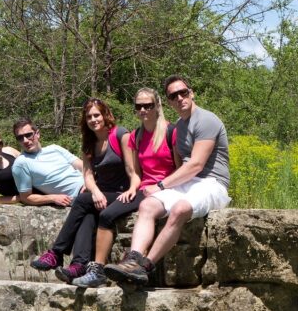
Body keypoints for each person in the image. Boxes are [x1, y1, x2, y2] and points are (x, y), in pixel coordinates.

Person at [104, 75, 230, 286]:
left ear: (192, 93)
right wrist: (160, 190)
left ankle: (145, 266)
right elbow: (181, 165)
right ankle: (133, 258)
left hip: (213, 183)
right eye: (174, 95)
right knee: (147, 204)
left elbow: (196, 165)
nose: (180, 98)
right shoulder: (180, 125)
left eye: (183, 92)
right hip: (189, 183)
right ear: (169, 102)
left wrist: (161, 185)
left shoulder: (206, 120)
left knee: (180, 208)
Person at [70, 88, 180, 288]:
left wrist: (161, 186)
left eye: (148, 105)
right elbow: (135, 172)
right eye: (139, 106)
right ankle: (94, 269)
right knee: (100, 212)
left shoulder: (172, 132)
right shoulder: (136, 136)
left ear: (157, 106)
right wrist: (132, 189)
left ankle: (102, 269)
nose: (144, 110)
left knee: (105, 215)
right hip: (143, 190)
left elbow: (181, 169)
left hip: (167, 190)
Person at [30, 99, 139, 282]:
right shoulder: (89, 142)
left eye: (97, 115)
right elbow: (87, 175)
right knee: (88, 214)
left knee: (81, 201)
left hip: (124, 193)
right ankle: (78, 266)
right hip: (103, 193)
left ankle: (56, 252)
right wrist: (95, 191)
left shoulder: (120, 134)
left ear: (105, 115)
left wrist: (132, 189)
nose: (93, 119)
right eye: (89, 117)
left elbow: (133, 170)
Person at [11, 118, 85, 206]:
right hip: (79, 195)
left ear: (37, 134)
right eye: (20, 138)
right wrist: (53, 198)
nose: (25, 141)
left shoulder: (55, 149)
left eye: (28, 135)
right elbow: (25, 197)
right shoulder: (21, 163)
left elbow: (82, 166)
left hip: (90, 184)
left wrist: (90, 183)